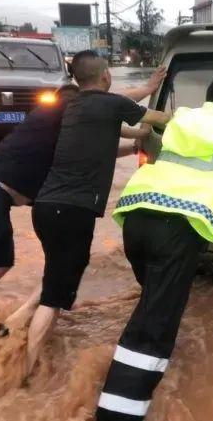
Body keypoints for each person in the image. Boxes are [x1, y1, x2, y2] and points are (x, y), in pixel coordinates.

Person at [95, 77, 213, 421]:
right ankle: (118, 412)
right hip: (178, 226)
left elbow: (157, 128)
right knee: (154, 324)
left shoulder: (183, 118)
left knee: (153, 300)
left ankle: (140, 372)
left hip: (137, 217)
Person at [0, 63, 166, 330]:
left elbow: (98, 146)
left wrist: (134, 144)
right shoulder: (75, 105)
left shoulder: (63, 124)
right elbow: (114, 103)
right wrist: (147, 92)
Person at [22, 50, 171, 375]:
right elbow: (160, 120)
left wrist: (136, 141)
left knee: (54, 279)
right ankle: (27, 371)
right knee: (54, 298)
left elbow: (109, 141)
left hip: (46, 208)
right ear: (106, 76)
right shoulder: (110, 104)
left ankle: (13, 327)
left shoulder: (76, 106)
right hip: (73, 212)